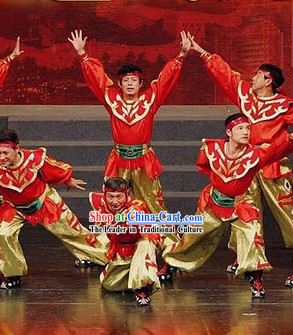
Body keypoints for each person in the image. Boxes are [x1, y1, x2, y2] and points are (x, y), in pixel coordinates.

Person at [187, 33, 293, 287]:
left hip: (271, 164)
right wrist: (201, 51)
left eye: (257, 75)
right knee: (243, 210)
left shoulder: (285, 104)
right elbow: (225, 75)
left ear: (268, 80)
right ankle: (244, 257)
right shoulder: (246, 95)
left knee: (288, 214)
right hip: (244, 163)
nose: (252, 78)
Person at [163, 113, 293, 298]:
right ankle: (170, 265)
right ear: (229, 132)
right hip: (214, 203)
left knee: (252, 236)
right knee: (193, 237)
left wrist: (289, 138)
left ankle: (255, 279)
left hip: (241, 205)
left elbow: (277, 150)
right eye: (240, 128)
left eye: (248, 128)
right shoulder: (212, 148)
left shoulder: (255, 155)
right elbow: (204, 166)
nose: (246, 132)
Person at [68, 30, 191, 217]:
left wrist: (181, 55)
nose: (130, 83)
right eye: (126, 80)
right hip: (119, 159)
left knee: (152, 201)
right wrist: (82, 53)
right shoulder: (112, 100)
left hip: (143, 158)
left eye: (134, 80)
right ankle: (113, 239)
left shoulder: (150, 100)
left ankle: (163, 239)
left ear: (141, 84)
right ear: (120, 84)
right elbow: (97, 79)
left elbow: (166, 80)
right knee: (113, 200)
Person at [0, 129, 108, 289]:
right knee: (4, 234)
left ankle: (103, 257)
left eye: (5, 153)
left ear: (17, 148)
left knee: (72, 232)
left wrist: (67, 180)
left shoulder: (34, 160)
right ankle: (11, 273)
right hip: (13, 208)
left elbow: (53, 170)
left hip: (44, 203)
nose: (2, 157)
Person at [89, 177, 161, 307]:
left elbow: (146, 229)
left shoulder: (135, 208)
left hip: (138, 242)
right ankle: (132, 278)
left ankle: (142, 291)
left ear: (127, 194)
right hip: (120, 246)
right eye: (110, 196)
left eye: (119, 197)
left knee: (145, 245)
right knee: (110, 284)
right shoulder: (101, 204)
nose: (115, 201)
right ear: (104, 194)